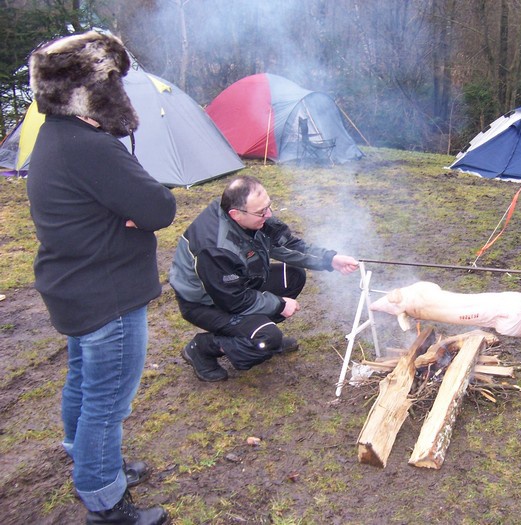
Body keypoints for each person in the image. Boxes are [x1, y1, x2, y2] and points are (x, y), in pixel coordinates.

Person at [26, 31, 176, 524]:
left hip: (76, 288)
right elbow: (158, 207)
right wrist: (130, 210)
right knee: (107, 403)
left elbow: (136, 207)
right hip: (107, 297)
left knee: (84, 384)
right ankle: (104, 499)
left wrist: (125, 209)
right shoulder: (89, 147)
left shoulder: (54, 136)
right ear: (94, 90)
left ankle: (91, 460)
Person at [169, 175, 359, 381]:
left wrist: (330, 260)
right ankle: (204, 347)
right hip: (204, 303)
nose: (268, 215)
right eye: (261, 212)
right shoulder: (214, 247)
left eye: (268, 206)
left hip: (238, 285)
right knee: (267, 338)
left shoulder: (249, 213)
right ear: (236, 214)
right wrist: (279, 304)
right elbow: (233, 300)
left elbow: (287, 244)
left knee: (293, 276)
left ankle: (258, 332)